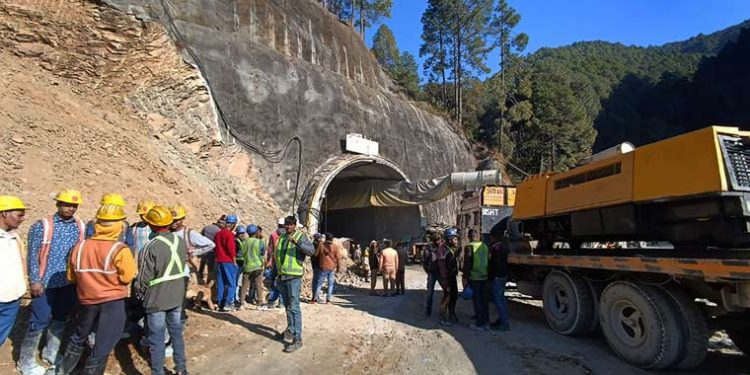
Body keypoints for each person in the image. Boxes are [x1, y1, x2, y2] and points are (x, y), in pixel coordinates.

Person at [54, 203, 137, 375]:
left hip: (86, 299)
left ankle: (63, 370)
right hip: (111, 302)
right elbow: (127, 277)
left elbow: (71, 277)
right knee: (104, 341)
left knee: (79, 335)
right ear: (119, 226)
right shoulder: (120, 249)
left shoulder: (80, 247)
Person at [18, 189, 85, 375]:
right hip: (45, 283)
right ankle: (26, 360)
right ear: (57, 204)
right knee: (39, 320)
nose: (70, 208)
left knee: (60, 318)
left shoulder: (79, 226)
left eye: (73, 205)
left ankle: (51, 352)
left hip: (68, 283)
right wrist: (35, 280)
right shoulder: (43, 226)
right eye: (66, 204)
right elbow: (32, 254)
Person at [134, 206, 189, 375]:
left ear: (150, 224)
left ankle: (158, 371)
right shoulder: (180, 241)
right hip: (177, 295)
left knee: (156, 338)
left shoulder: (150, 247)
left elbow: (143, 278)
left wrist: (139, 294)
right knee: (176, 334)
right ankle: (181, 369)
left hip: (157, 298)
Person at [275, 216, 314, 353]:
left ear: (295, 225)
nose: (289, 227)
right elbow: (278, 257)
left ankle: (297, 338)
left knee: (294, 307)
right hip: (282, 277)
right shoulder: (282, 238)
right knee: (287, 306)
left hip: (293, 277)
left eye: (291, 225)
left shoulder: (300, 236)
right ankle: (290, 329)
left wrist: (298, 243)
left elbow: (311, 251)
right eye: (287, 225)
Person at [0, 196, 27, 347]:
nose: (23, 219)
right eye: (19, 215)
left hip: (12, 299)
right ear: (4, 213)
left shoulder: (15, 237)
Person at [462, 229, 490, 331]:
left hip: (474, 277)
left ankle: (479, 324)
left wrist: (465, 277)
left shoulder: (469, 247)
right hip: (485, 277)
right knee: (484, 301)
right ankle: (486, 322)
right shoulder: (484, 246)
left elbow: (467, 264)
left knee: (477, 301)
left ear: (469, 237)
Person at [214, 214, 238, 312]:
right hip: (228, 261)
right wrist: (234, 261)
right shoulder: (230, 234)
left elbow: (215, 247)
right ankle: (229, 303)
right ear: (233, 224)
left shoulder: (218, 234)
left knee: (221, 282)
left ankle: (220, 303)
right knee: (231, 283)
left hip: (219, 260)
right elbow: (231, 249)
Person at [238, 225, 266, 310]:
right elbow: (262, 252)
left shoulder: (244, 242)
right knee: (258, 284)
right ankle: (260, 303)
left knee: (245, 285)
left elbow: (242, 253)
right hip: (257, 266)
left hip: (247, 266)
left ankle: (242, 302)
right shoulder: (259, 242)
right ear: (255, 232)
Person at [488, 227, 511, 331]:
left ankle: (504, 323)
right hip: (503, 276)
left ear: (494, 237)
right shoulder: (505, 246)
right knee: (501, 299)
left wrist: (490, 276)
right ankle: (502, 319)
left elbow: (494, 264)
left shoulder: (495, 248)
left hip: (497, 276)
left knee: (497, 300)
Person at [437, 228, 459, 326]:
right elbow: (443, 267)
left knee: (454, 296)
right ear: (449, 240)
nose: (456, 241)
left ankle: (451, 314)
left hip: (451, 276)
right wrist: (446, 281)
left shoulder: (448, 249)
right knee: (448, 296)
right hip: (447, 278)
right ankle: (442, 317)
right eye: (455, 239)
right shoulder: (445, 250)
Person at [314, 233, 342, 304]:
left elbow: (316, 254)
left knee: (319, 284)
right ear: (332, 239)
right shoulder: (335, 247)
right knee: (330, 284)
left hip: (323, 267)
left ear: (326, 238)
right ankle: (328, 300)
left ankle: (315, 299)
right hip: (332, 268)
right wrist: (339, 268)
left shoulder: (321, 245)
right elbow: (338, 258)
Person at [198, 215, 226, 284]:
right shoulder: (219, 231)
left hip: (203, 249)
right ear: (221, 224)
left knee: (202, 263)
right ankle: (208, 283)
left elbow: (200, 236)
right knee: (210, 268)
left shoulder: (207, 227)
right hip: (212, 251)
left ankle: (199, 277)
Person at [421, 233, 441, 317]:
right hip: (434, 272)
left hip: (437, 272)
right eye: (438, 240)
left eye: (440, 240)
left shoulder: (440, 248)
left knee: (431, 292)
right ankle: (428, 310)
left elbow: (424, 262)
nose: (439, 241)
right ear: (434, 241)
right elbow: (424, 261)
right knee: (430, 292)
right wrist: (428, 271)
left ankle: (430, 311)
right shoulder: (429, 249)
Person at [234, 225, 247, 305]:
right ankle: (234, 298)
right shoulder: (236, 242)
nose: (242, 235)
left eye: (243, 233)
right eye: (240, 233)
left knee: (239, 282)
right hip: (237, 263)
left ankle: (237, 297)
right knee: (235, 281)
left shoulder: (243, 241)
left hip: (242, 263)